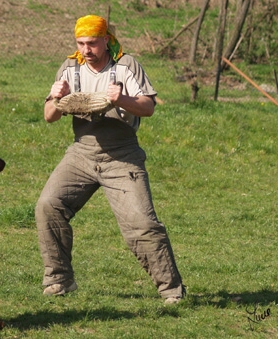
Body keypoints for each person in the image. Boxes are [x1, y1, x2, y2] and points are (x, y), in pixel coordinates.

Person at [35, 14, 185, 303]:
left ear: (106, 39)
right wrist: (54, 99)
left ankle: (172, 291)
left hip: (122, 156)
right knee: (48, 205)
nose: (86, 49)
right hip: (82, 152)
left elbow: (148, 107)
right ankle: (59, 280)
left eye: (92, 43)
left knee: (141, 224)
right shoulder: (69, 68)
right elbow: (48, 117)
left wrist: (121, 100)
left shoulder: (126, 66)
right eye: (80, 43)